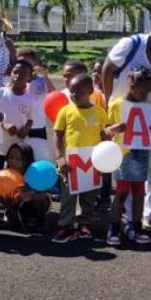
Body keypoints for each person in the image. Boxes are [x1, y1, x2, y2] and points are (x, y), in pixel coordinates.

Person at [101, 23, 151, 229]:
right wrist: (107, 100)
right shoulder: (131, 45)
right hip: (126, 113)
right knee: (127, 165)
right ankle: (129, 217)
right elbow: (107, 68)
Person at [106, 67, 151, 245]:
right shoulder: (117, 105)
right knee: (121, 193)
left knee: (139, 193)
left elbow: (147, 130)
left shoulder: (146, 106)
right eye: (143, 91)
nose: (146, 95)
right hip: (123, 154)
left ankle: (135, 227)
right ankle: (114, 228)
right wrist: (114, 129)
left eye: (148, 92)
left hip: (141, 153)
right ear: (131, 84)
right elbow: (106, 131)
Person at [53, 72, 108, 243]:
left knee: (89, 196)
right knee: (68, 196)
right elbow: (58, 135)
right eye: (71, 91)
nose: (74, 95)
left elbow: (104, 135)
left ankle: (84, 224)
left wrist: (105, 149)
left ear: (91, 90)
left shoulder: (99, 112)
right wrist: (60, 157)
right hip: (70, 162)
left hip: (92, 162)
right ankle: (65, 227)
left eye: (79, 91)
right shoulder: (66, 111)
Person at [0, 59, 36, 172]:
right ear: (10, 73)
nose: (18, 76)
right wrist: (3, 125)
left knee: (14, 179)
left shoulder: (30, 98)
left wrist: (25, 130)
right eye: (15, 72)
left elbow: (30, 119)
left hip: (17, 150)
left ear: (29, 77)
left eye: (23, 74)